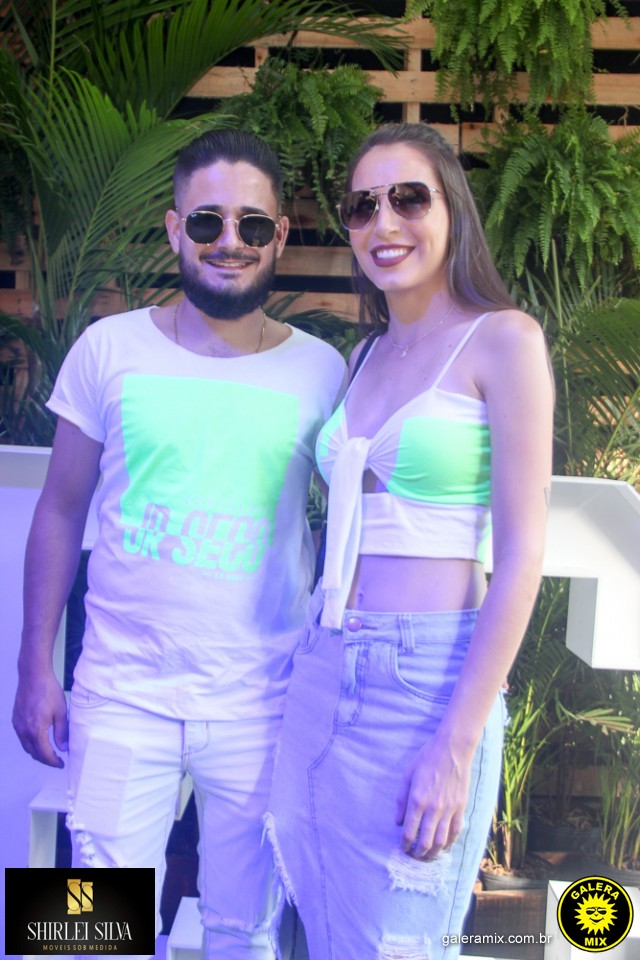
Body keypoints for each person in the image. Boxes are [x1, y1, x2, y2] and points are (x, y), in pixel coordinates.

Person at [12, 129, 346, 959]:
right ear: (173, 229)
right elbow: (59, 510)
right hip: (120, 693)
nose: (230, 241)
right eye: (207, 222)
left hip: (263, 703)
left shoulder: (323, 371)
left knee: (247, 934)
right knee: (86, 932)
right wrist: (33, 664)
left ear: (280, 235)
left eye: (252, 224)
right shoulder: (108, 348)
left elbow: (358, 528)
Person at [266, 122, 554, 959]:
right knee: (323, 931)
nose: (383, 223)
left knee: (401, 945)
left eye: (407, 198)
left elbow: (523, 555)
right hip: (322, 665)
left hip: (426, 681)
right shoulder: (363, 354)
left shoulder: (505, 340)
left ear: (451, 208)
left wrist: (457, 745)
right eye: (362, 207)